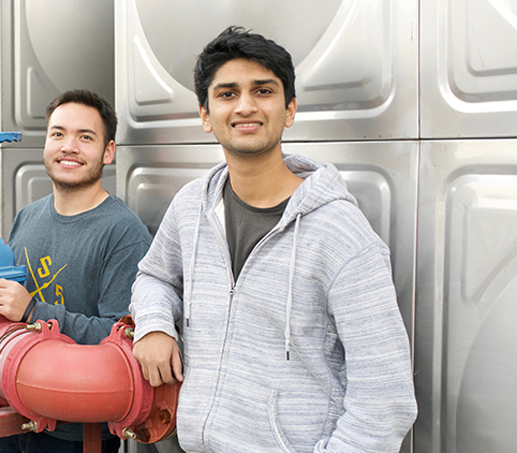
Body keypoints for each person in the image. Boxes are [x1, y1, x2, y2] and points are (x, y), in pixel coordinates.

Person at [130, 26, 417, 452]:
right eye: (227, 93)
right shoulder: (192, 205)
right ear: (205, 115)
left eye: (263, 90)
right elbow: (155, 277)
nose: (245, 106)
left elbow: (386, 397)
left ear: (290, 109)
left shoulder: (341, 233)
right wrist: (154, 326)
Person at [0, 89, 152, 453]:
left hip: (78, 432)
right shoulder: (28, 217)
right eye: (58, 134)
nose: (68, 146)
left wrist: (34, 311)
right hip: (16, 410)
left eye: (85, 137)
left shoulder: (123, 233)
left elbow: (121, 340)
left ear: (108, 152)